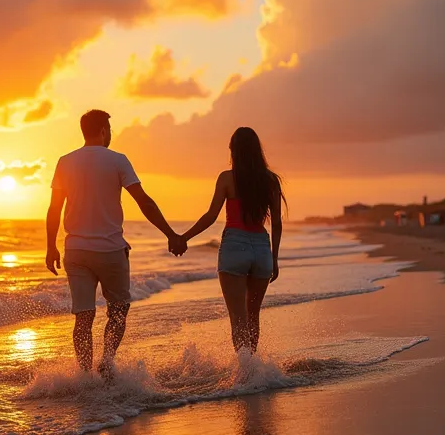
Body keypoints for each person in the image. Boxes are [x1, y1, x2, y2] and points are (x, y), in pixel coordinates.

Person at [46, 109, 184, 376]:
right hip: (111, 251)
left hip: (75, 251)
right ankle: (107, 362)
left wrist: (51, 246)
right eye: (109, 129)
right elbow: (144, 201)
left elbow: (54, 209)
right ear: (102, 131)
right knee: (118, 311)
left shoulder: (65, 161)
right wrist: (170, 234)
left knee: (83, 317)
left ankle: (84, 376)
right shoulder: (118, 160)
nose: (110, 134)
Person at [176, 127, 284, 353]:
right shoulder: (271, 181)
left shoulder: (227, 178)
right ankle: (252, 368)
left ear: (234, 150)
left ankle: (245, 370)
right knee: (253, 315)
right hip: (262, 249)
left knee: (238, 317)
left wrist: (183, 237)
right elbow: (276, 223)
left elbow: (210, 217)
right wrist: (274, 259)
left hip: (235, 247)